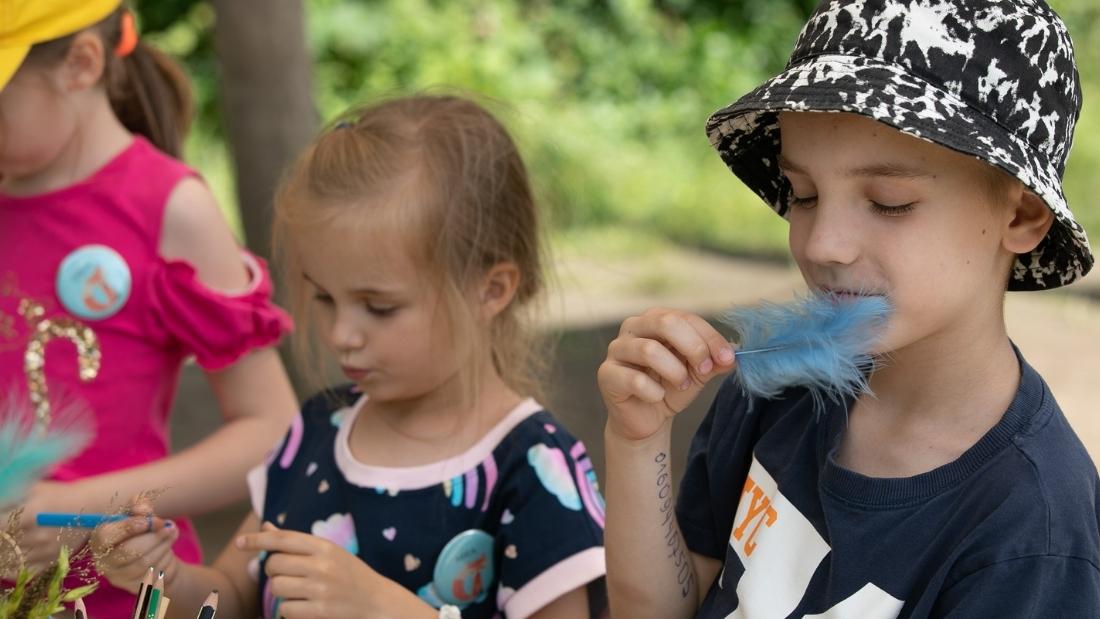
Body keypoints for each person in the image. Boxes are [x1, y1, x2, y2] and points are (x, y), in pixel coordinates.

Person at [598, 0, 1100, 617]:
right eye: (804, 194)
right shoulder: (778, 386)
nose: (820, 244)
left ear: (1018, 215)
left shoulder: (1030, 529)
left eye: (888, 202)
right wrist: (637, 440)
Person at [94, 94, 608, 619]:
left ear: (491, 290)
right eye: (323, 297)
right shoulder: (317, 431)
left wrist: (385, 608)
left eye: (378, 307)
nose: (342, 334)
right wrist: (162, 578)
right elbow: (227, 598)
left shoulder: (533, 468)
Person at [0, 1, 298, 616]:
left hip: (122, 597)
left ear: (81, 62)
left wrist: (79, 511)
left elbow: (270, 430)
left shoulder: (170, 207)